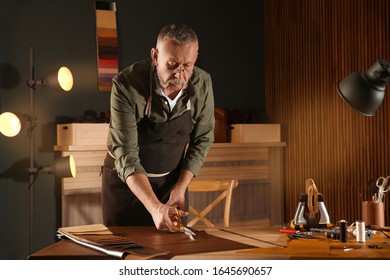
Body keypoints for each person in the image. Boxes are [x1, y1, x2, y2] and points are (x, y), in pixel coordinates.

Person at [101, 23, 215, 233]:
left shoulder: (203, 83)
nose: (180, 74)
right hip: (127, 188)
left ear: (196, 58)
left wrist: (180, 189)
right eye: (171, 65)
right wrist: (154, 208)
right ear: (155, 56)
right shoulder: (126, 84)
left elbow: (203, 139)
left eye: (187, 65)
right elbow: (126, 154)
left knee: (172, 256)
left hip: (171, 188)